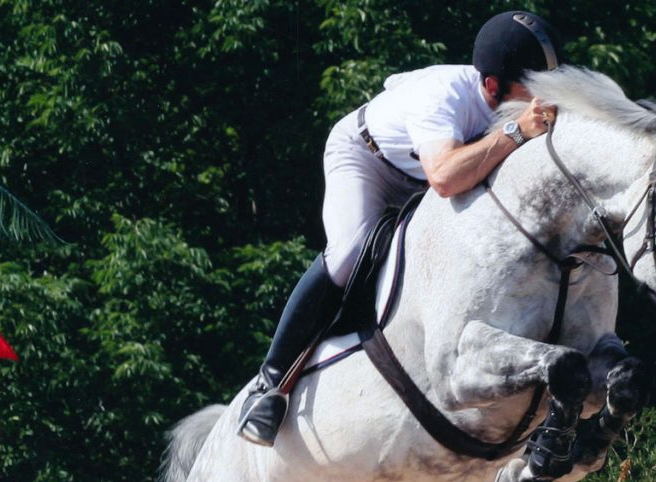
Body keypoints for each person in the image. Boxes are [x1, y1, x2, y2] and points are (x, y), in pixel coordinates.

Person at [238, 10, 564, 446]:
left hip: (425, 176)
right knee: (349, 252)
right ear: (492, 86)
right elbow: (446, 177)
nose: (542, 99)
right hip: (367, 161)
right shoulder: (444, 96)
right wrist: (515, 130)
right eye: (534, 88)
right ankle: (270, 382)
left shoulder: (508, 100)